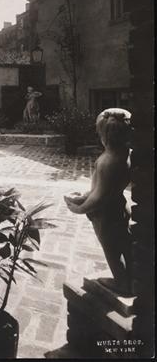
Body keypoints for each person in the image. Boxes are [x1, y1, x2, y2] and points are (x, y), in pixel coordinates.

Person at [64, 108, 133, 295]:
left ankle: (121, 283)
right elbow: (108, 189)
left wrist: (78, 208)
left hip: (106, 215)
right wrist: (85, 195)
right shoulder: (126, 154)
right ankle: (132, 277)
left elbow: (100, 198)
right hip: (119, 206)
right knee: (125, 244)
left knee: (111, 249)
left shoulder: (107, 161)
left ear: (105, 135)